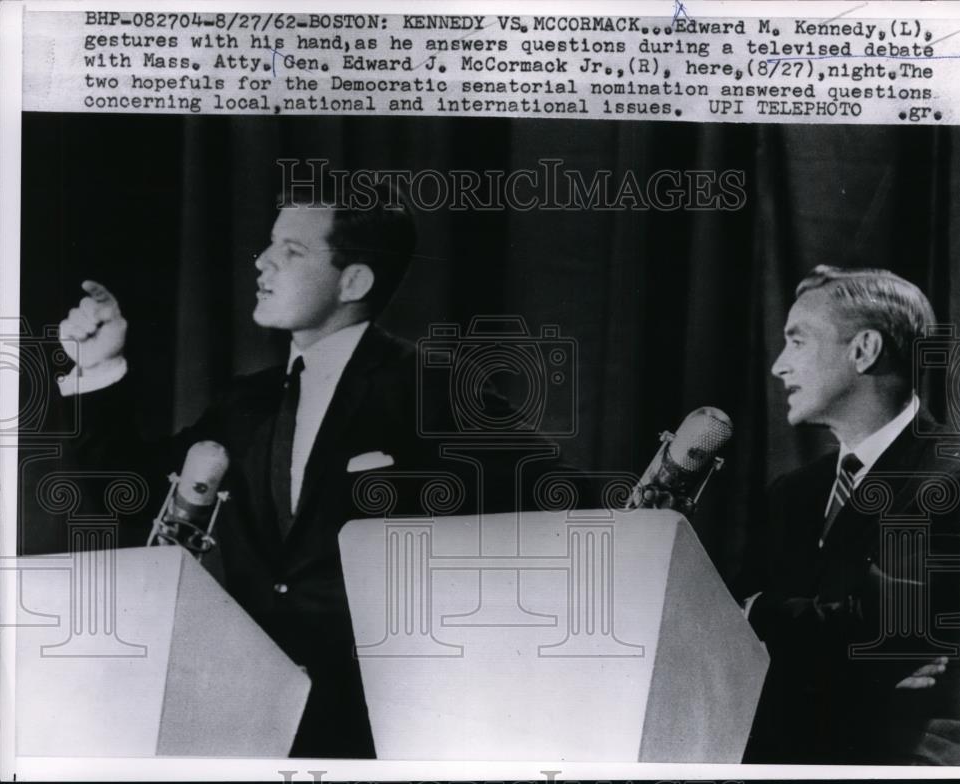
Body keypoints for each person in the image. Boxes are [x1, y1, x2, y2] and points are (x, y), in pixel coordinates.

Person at [55, 183, 572, 758]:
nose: (265, 262)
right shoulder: (245, 402)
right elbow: (124, 493)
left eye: (293, 251)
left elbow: (557, 509)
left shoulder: (433, 388)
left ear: (354, 282)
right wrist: (98, 369)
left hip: (383, 730)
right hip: (250, 717)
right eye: (270, 245)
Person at [738, 265, 960, 765]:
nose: (779, 366)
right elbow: (730, 645)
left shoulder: (957, 477)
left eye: (797, 342)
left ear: (863, 350)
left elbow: (888, 631)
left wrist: (757, 611)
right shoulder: (791, 494)